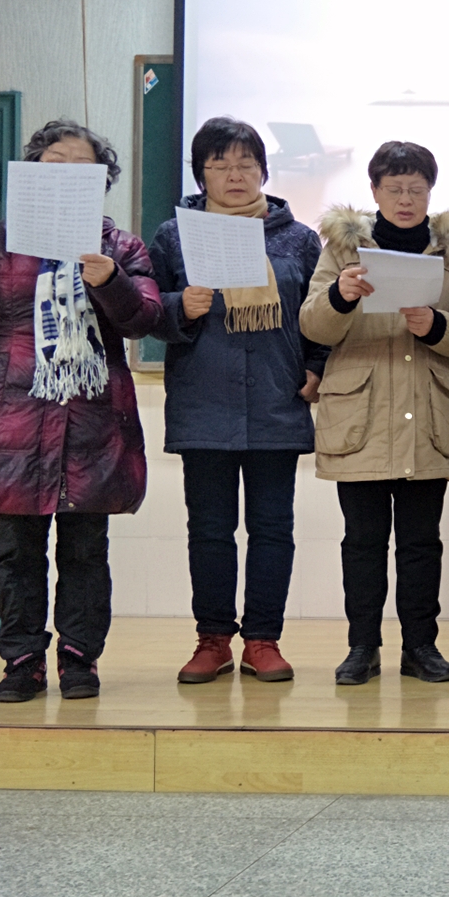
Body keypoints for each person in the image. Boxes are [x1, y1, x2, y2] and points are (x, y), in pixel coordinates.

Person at [0, 121, 163, 701]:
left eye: (81, 165)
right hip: (12, 415)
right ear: (33, 171)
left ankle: (79, 658)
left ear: (101, 180)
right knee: (16, 549)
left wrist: (111, 280)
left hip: (94, 420)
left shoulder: (120, 247)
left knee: (86, 548)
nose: (66, 172)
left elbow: (145, 319)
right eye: (54, 161)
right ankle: (21, 660)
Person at [149, 117, 329, 685]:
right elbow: (146, 311)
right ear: (200, 174)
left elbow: (320, 315)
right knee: (209, 529)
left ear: (264, 172)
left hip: (276, 401)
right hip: (203, 403)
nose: (234, 175)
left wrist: (317, 367)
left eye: (246, 164)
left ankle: (263, 640)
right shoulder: (173, 236)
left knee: (273, 529)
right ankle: (212, 640)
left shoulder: (299, 238)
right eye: (220, 164)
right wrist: (180, 306)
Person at [300, 141, 449, 686]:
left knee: (421, 543)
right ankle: (362, 647)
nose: (406, 200)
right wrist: (341, 295)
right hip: (359, 414)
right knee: (362, 543)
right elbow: (313, 323)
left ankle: (420, 647)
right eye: (394, 189)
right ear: (375, 191)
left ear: (430, 192)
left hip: (427, 414)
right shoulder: (342, 249)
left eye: (416, 189)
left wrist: (436, 326)